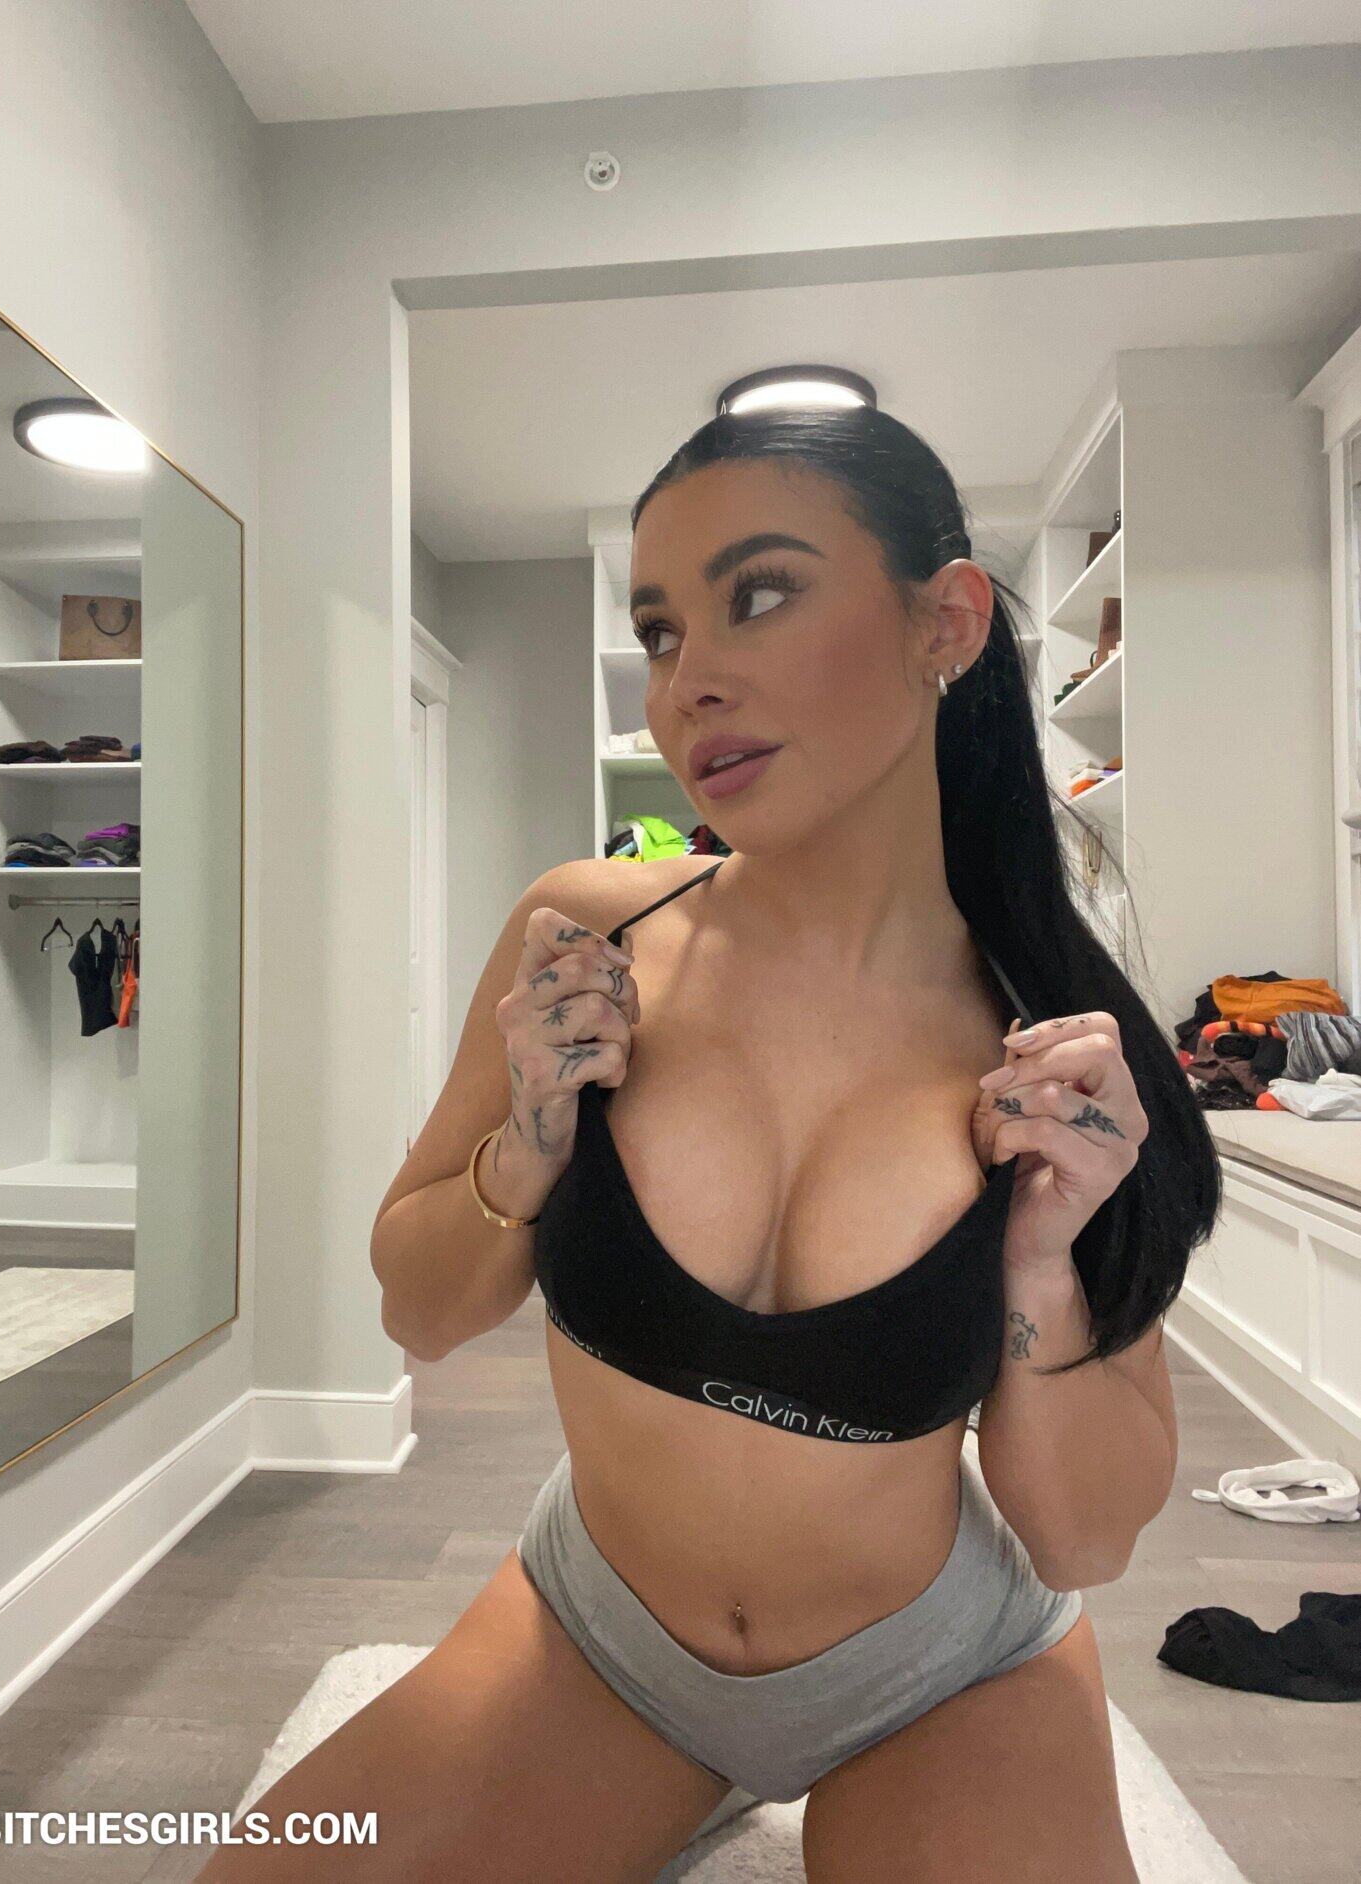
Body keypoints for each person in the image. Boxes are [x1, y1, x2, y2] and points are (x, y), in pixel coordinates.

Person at [200, 408, 1220, 1881]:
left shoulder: (1051, 1042)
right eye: (661, 632)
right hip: (599, 1638)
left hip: (939, 1672)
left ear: (944, 621)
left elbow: (1086, 1543)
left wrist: (1044, 1268)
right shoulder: (587, 933)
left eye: (763, 593)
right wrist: (530, 1138)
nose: (691, 682)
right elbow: (418, 1313)